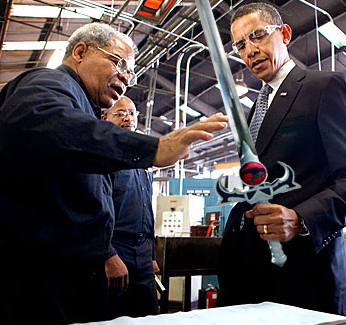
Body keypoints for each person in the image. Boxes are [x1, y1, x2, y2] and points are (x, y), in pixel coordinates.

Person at [0, 22, 228, 325]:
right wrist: (155, 147)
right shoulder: (48, 83)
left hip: (75, 277)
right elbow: (44, 122)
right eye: (118, 62)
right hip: (41, 280)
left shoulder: (85, 112)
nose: (125, 77)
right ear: (80, 52)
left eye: (131, 73)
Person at [216, 3, 346, 315]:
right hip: (252, 272)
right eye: (240, 45)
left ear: (285, 34)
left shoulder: (325, 87)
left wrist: (301, 218)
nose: (250, 51)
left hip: (304, 274)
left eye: (258, 36)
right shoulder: (255, 109)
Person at [101, 96, 159, 318]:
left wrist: (151, 255)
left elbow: (147, 209)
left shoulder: (141, 159)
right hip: (116, 249)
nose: (128, 118)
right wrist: (108, 256)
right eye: (121, 113)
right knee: (112, 317)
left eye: (132, 113)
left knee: (148, 316)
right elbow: (95, 211)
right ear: (104, 118)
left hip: (142, 253)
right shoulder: (102, 157)